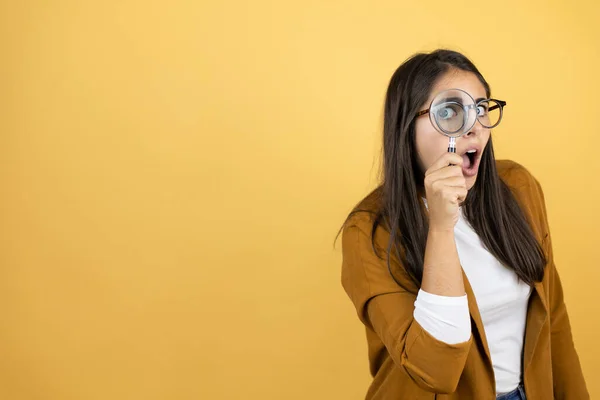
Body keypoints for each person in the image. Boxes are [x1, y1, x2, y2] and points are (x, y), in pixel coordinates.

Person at [338, 49, 589, 399]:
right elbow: (434, 369)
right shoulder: (369, 232)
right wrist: (441, 227)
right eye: (450, 111)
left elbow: (554, 321)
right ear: (407, 127)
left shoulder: (519, 188)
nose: (473, 127)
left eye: (481, 108)